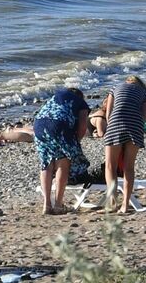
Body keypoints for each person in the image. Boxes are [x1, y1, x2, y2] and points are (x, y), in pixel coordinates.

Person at [30, 86, 91, 214]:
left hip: (38, 126)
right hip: (59, 125)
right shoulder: (81, 103)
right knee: (63, 161)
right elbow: (83, 127)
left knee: (46, 163)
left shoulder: (55, 97)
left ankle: (46, 204)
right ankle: (58, 205)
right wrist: (75, 143)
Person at [99, 74, 146, 213]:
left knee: (110, 166)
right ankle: (125, 205)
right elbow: (143, 116)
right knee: (129, 168)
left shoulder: (115, 87)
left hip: (116, 122)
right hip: (135, 126)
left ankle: (112, 203)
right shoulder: (143, 92)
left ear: (127, 81)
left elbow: (109, 112)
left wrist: (111, 128)